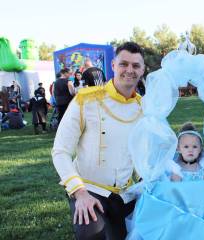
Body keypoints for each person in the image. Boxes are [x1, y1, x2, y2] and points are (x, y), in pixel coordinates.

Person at [52, 42, 145, 240]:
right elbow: (60, 151)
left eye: (136, 66)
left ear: (143, 70)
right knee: (94, 234)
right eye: (124, 64)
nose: (130, 70)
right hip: (89, 190)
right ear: (113, 66)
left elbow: (139, 153)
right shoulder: (86, 100)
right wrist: (79, 193)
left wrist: (145, 179)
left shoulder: (144, 108)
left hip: (126, 193)